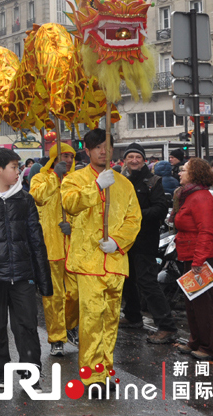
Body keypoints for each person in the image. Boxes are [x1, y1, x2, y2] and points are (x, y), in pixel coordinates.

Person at [60, 128, 141, 388]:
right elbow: (70, 204)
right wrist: (96, 187)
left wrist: (117, 241)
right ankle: (91, 374)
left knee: (110, 318)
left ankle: (106, 369)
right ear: (87, 150)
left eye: (107, 146)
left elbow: (134, 219)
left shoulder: (125, 184)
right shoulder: (74, 179)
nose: (103, 151)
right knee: (92, 318)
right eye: (97, 147)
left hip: (115, 260)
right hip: (87, 262)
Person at [0, 148, 52, 388]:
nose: (18, 172)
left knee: (27, 325)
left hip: (22, 274)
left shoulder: (25, 199)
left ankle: (31, 374)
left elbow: (36, 239)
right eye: (14, 167)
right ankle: (0, 372)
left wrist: (44, 279)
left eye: (18, 168)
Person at [119, 143, 177, 344]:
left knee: (147, 282)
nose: (134, 160)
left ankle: (166, 326)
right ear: (124, 160)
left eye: (138, 157)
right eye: (130, 157)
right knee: (127, 279)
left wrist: (134, 216)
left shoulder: (153, 181)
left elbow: (161, 210)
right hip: (125, 241)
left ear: (144, 160)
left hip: (145, 240)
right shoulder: (121, 180)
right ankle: (133, 316)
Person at [172, 158, 213, 361]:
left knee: (203, 303)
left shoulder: (200, 198)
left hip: (202, 257)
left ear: (194, 174)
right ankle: (197, 341)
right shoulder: (189, 195)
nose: (179, 173)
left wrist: (198, 261)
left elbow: (206, 232)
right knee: (192, 302)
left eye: (183, 170)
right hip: (191, 254)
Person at [30, 142, 79, 357]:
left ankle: (70, 325)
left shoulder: (79, 179)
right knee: (53, 296)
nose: (67, 160)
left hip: (76, 247)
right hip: (50, 247)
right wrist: (54, 178)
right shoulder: (40, 178)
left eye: (70, 156)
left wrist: (74, 227)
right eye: (63, 156)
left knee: (76, 294)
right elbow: (37, 197)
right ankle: (57, 338)